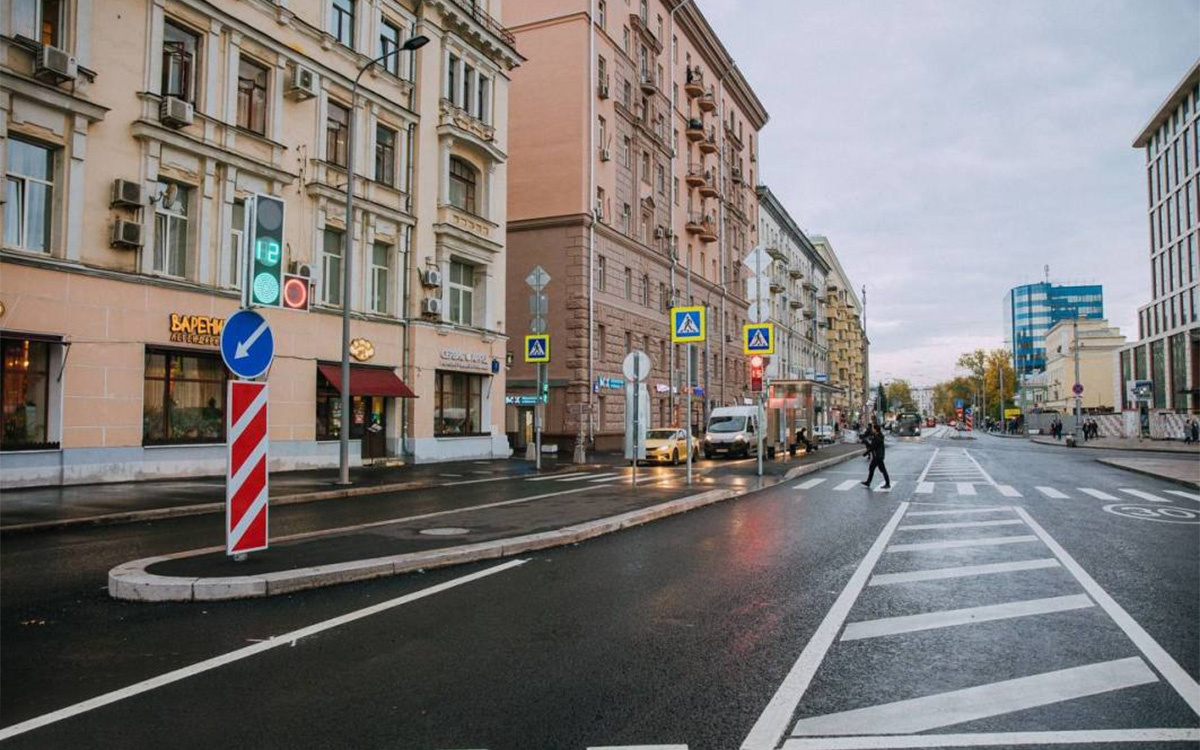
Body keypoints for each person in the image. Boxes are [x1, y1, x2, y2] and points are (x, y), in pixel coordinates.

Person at [861, 424, 891, 489]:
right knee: (873, 468)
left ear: (876, 430)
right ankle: (868, 482)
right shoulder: (877, 436)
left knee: (881, 470)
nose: (872, 430)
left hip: (878, 456)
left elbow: (873, 446)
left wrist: (866, 453)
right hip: (878, 456)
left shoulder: (878, 437)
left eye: (873, 429)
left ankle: (887, 483)